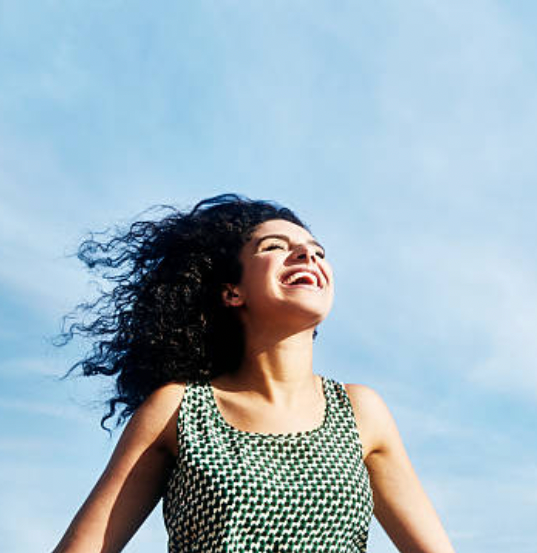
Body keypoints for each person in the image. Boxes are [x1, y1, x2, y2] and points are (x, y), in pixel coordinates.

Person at [51, 194, 456, 553]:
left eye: (316, 251)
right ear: (232, 291)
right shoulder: (177, 410)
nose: (306, 256)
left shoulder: (360, 411)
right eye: (275, 246)